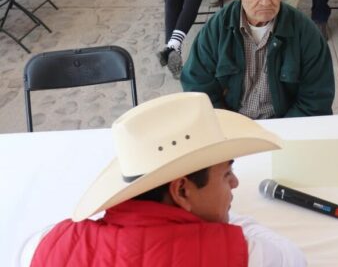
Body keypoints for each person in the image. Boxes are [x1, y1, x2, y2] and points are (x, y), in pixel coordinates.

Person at [30, 92, 308, 266]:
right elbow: (293, 259)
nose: (235, 183)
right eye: (226, 173)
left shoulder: (51, 240)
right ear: (182, 191)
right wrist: (227, 218)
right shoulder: (249, 254)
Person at [181, 0, 334, 118]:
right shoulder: (217, 28)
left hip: (287, 125)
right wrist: (226, 123)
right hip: (232, 124)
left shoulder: (305, 32)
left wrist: (286, 131)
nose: (266, 0)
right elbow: (197, 84)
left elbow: (316, 99)